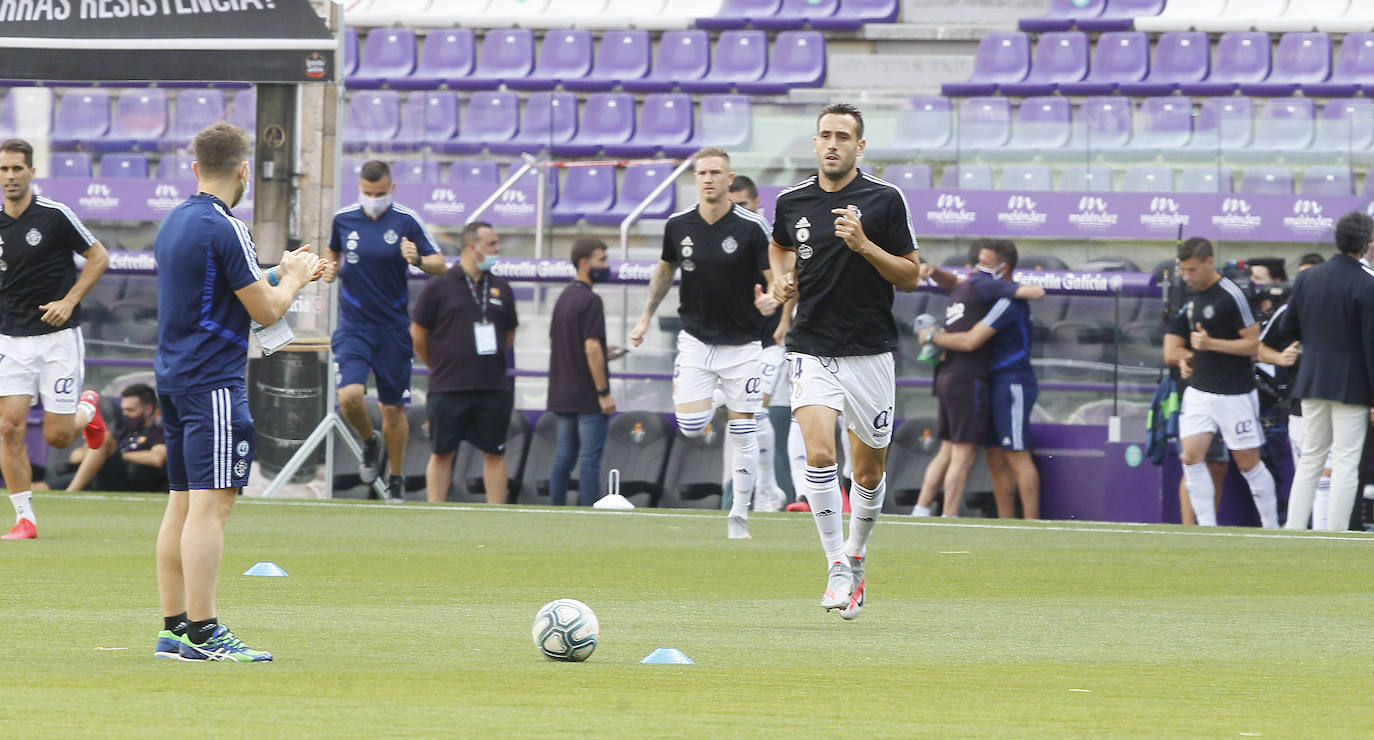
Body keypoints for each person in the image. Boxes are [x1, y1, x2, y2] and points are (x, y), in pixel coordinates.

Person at [153, 121, 325, 661]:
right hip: (213, 384)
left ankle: (175, 627)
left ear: (196, 167)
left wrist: (287, 270)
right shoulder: (228, 228)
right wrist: (292, 280)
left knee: (181, 504)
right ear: (244, 171)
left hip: (175, 379)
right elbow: (266, 309)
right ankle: (205, 634)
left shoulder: (176, 221)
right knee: (213, 507)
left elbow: (227, 282)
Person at [768, 103, 921, 619]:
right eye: (824, 135)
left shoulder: (884, 201)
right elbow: (779, 247)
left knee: (870, 472)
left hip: (871, 353)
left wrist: (863, 245)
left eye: (843, 136)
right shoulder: (792, 201)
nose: (832, 143)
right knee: (817, 456)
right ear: (815, 144)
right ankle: (836, 564)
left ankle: (856, 554)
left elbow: (910, 276)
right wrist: (781, 280)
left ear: (860, 147)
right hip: (812, 347)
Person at [628, 146, 772, 540]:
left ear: (729, 178)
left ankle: (739, 517)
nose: (708, 178)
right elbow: (664, 270)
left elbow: (775, 273)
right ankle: (723, 398)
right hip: (696, 340)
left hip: (743, 344)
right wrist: (645, 317)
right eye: (702, 173)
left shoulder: (752, 226)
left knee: (745, 432)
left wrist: (774, 298)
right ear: (696, 178)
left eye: (715, 172)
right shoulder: (678, 225)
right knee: (691, 426)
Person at [0, 137, 110, 541]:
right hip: (10, 340)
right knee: (8, 427)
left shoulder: (55, 215)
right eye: (3, 169)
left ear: (31, 171)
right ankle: (25, 518)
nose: (10, 176)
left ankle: (88, 409)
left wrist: (69, 300)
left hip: (57, 338)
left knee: (57, 437)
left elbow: (99, 257)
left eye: (16, 168)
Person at [323, 160, 446, 502]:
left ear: (391, 189)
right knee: (349, 396)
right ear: (359, 189)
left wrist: (417, 259)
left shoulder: (406, 220)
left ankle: (395, 479)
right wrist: (330, 267)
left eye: (379, 193)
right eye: (367, 193)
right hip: (354, 326)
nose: (372, 199)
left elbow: (440, 264)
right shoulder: (344, 218)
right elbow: (332, 251)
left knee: (393, 409)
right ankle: (368, 440)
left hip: (392, 329)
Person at [912, 239, 1044, 519]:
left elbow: (973, 340)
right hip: (988, 381)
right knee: (995, 456)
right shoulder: (984, 291)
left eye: (984, 264)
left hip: (1013, 381)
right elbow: (958, 283)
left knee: (1017, 454)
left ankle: (1032, 523)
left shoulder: (1008, 300)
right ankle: (1006, 522)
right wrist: (934, 271)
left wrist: (934, 337)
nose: (975, 269)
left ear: (1003, 267)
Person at [1163, 237, 1279, 528]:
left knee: (1248, 464)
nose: (1188, 276)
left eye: (1192, 270)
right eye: (1184, 271)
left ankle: (1272, 527)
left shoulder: (1231, 294)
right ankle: (1206, 529)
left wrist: (1211, 344)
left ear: (1209, 262)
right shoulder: (1190, 297)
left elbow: (1254, 346)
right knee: (1191, 458)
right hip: (1200, 390)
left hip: (1234, 393)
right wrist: (1186, 359)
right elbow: (1172, 348)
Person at [411, 221, 518, 504]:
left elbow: (509, 334)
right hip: (448, 387)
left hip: (491, 387)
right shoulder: (440, 286)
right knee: (442, 452)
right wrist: (437, 364)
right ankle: (436, 513)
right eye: (492, 244)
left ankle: (497, 516)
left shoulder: (501, 288)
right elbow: (418, 333)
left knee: (494, 453)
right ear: (473, 247)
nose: (497, 249)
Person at [1281, 211, 1374, 530]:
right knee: (1346, 462)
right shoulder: (1367, 283)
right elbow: (1371, 346)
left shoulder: (1308, 277)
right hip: (1352, 386)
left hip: (1311, 379)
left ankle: (1293, 529)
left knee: (1311, 459)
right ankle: (1335, 534)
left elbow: (1287, 326)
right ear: (1365, 244)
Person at [728, 174, 786, 512]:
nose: (739, 213)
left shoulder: (769, 237)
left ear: (757, 203)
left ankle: (767, 490)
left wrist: (785, 318)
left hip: (772, 340)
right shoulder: (726, 238)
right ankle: (755, 490)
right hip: (736, 342)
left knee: (757, 411)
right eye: (733, 206)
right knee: (740, 419)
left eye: (744, 205)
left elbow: (791, 277)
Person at [546, 237, 616, 506]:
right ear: (585, 263)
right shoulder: (591, 300)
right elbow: (591, 348)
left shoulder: (563, 297)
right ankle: (589, 513)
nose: (607, 265)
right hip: (587, 396)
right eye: (602, 260)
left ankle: (555, 509)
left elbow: (555, 342)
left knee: (563, 457)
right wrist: (603, 393)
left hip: (563, 393)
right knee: (589, 459)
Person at [67, 383, 168, 493]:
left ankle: (71, 492)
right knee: (45, 485)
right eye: (123, 410)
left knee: (104, 439)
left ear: (148, 410)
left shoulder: (157, 434)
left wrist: (118, 455)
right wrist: (96, 454)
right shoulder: (122, 433)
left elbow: (157, 458)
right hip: (104, 478)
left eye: (130, 410)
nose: (125, 414)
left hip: (135, 482)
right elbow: (74, 457)